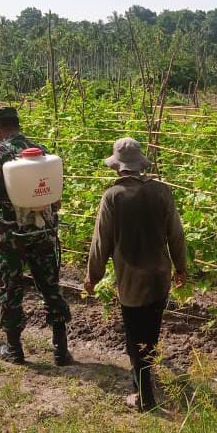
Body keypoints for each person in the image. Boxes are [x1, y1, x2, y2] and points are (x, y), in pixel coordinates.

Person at [84, 137, 187, 411]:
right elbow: (176, 234)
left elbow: (101, 242)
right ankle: (144, 386)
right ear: (140, 165)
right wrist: (181, 267)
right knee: (151, 333)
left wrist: (92, 276)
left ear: (118, 167)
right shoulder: (162, 191)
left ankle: (144, 398)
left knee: (134, 339)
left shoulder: (113, 197)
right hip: (160, 276)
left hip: (131, 280)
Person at [0, 106, 72, 365]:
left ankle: (14, 350)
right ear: (17, 125)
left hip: (10, 235)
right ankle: (61, 350)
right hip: (43, 232)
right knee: (50, 287)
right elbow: (56, 201)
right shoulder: (42, 152)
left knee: (10, 288)